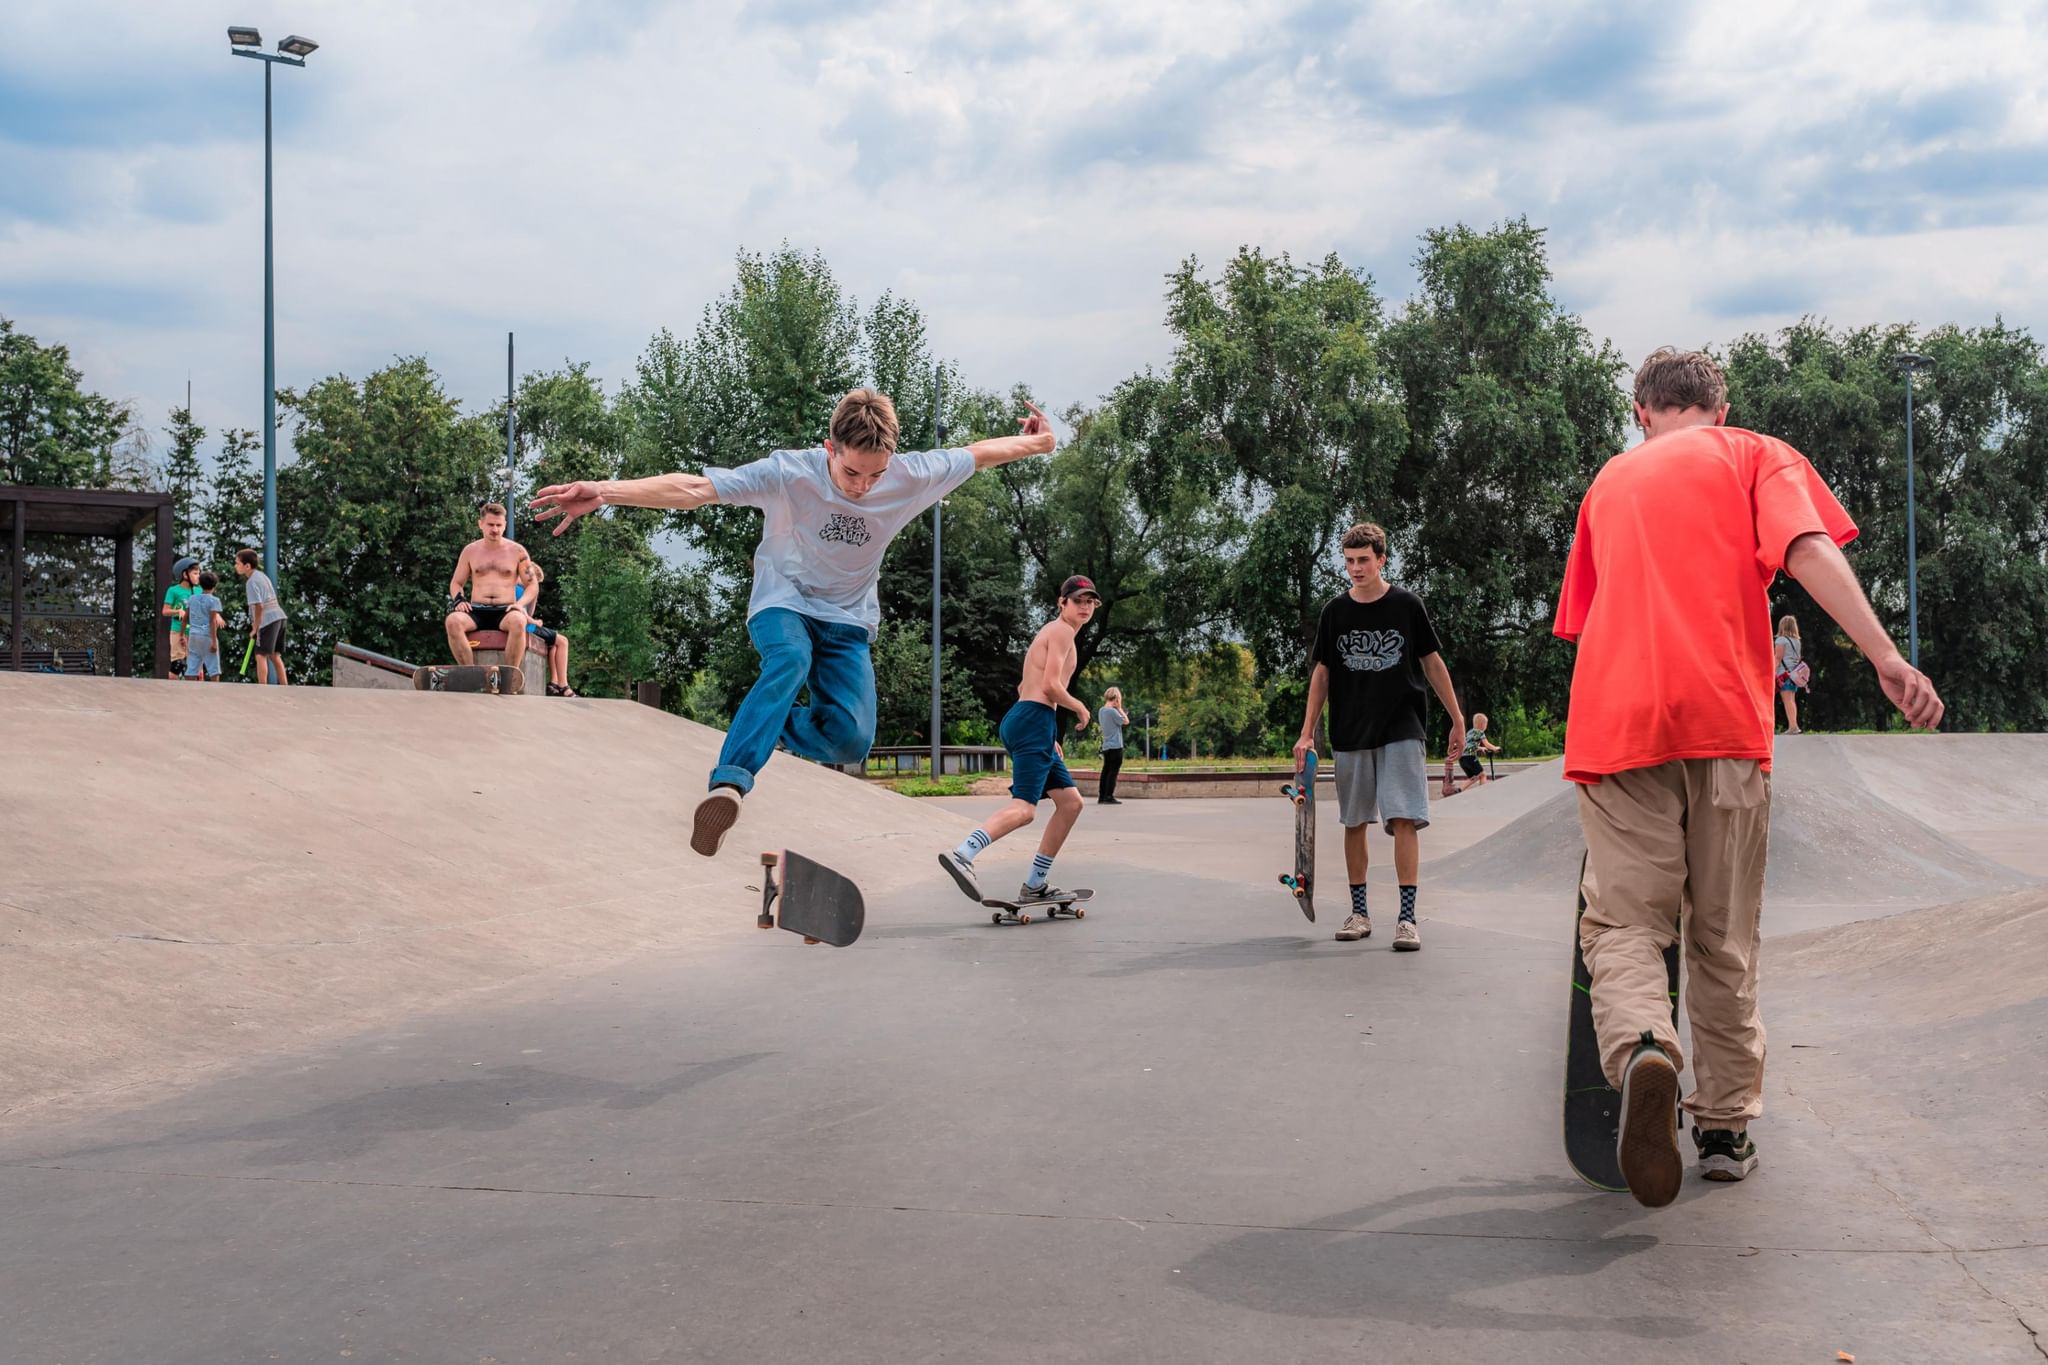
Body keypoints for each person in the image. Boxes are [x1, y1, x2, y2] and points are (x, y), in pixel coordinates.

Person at [1554, 347, 1943, 1209]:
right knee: (1723, 936)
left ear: (1641, 409)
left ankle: (1647, 1046)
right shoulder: (1755, 454)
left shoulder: (1608, 484)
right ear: (1717, 408)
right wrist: (1883, 655)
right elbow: (1806, 549)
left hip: (1617, 730)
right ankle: (1726, 1129)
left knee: (1623, 924)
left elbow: (1584, 621)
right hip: (1726, 727)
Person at [530, 388, 1056, 856]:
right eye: (851, 472)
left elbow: (982, 454)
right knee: (790, 659)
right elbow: (694, 489)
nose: (863, 487)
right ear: (830, 448)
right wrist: (605, 490)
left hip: (848, 620)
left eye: (875, 474)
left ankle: (773, 724)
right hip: (784, 604)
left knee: (852, 740)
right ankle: (729, 783)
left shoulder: (912, 475)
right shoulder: (789, 472)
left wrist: (1041, 443)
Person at [1293, 522, 1465, 953]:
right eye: (1349, 561)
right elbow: (1322, 673)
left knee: (1404, 818)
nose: (1355, 568)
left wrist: (1458, 719)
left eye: (1363, 560)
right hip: (1351, 728)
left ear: (1382, 559)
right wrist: (1306, 733)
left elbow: (1432, 662)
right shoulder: (1335, 611)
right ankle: (1360, 913)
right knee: (1354, 822)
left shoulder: (1407, 605)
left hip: (1402, 725)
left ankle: (1407, 919)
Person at [939, 576, 1100, 902]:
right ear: (1062, 602)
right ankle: (963, 854)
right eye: (1078, 600)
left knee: (1070, 803)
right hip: (1033, 721)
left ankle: (1035, 885)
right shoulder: (1061, 631)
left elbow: (1026, 687)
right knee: (1025, 809)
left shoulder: (1055, 633)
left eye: (1090, 601)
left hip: (1030, 720)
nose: (1084, 606)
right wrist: (1080, 707)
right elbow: (1052, 686)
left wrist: (1048, 733)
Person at [444, 504, 530, 670]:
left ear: (505, 525)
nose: (495, 530)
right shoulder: (470, 551)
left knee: (519, 621)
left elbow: (532, 585)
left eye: (499, 525)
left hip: (505, 611)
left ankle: (509, 674)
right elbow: (456, 582)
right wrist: (459, 600)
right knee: (453, 621)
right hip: (477, 610)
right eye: (491, 525)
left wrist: (520, 605)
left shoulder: (518, 551)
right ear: (480, 524)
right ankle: (470, 673)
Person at [514, 560, 577, 697]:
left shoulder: (523, 590)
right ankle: (564, 685)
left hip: (529, 625)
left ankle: (554, 683)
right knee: (563, 641)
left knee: (554, 645)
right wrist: (535, 622)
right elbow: (519, 613)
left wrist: (534, 595)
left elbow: (529, 612)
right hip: (528, 627)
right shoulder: (515, 588)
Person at [232, 549, 289, 685]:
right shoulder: (261, 575)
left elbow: (259, 606)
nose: (235, 566)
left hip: (267, 619)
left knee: (260, 654)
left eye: (237, 563)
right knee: (275, 655)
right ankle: (285, 686)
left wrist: (255, 627)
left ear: (247, 566)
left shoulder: (251, 582)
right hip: (279, 616)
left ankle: (262, 687)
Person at [182, 571, 226, 682]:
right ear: (215, 585)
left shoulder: (192, 598)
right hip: (207, 636)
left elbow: (185, 618)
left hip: (193, 635)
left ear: (200, 584)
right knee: (214, 668)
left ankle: (188, 690)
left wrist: (182, 634)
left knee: (191, 666)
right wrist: (214, 642)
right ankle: (214, 693)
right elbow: (212, 622)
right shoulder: (214, 601)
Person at [162, 557, 200, 680]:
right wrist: (178, 611)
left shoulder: (199, 590)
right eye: (195, 573)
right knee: (178, 665)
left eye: (199, 573)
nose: (198, 576)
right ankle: (172, 691)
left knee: (196, 667)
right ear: (184, 574)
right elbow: (165, 611)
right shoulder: (174, 590)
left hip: (195, 633)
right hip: (178, 630)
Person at [1097, 685, 1130, 804]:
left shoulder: (1101, 711)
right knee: (1113, 772)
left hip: (1106, 745)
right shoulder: (1112, 711)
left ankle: (1102, 796)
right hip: (1116, 745)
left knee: (1106, 770)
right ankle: (1109, 796)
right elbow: (1126, 721)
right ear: (1116, 698)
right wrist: (1120, 709)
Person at [1774, 615, 1805, 734]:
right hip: (1794, 674)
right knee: (1791, 699)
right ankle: (1794, 725)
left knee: (1788, 700)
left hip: (1784, 674)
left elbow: (1778, 658)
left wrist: (1772, 672)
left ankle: (1793, 726)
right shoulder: (1797, 641)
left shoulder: (1781, 640)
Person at [1458, 711, 1501, 787]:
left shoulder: (1469, 732)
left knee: (1473, 777)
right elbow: (1487, 744)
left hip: (1462, 758)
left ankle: (1459, 789)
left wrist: (1480, 748)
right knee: (1483, 775)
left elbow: (1469, 746)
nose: (1486, 727)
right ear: (1482, 725)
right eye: (1486, 725)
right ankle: (1482, 793)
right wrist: (1495, 748)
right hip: (1470, 757)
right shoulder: (1480, 732)